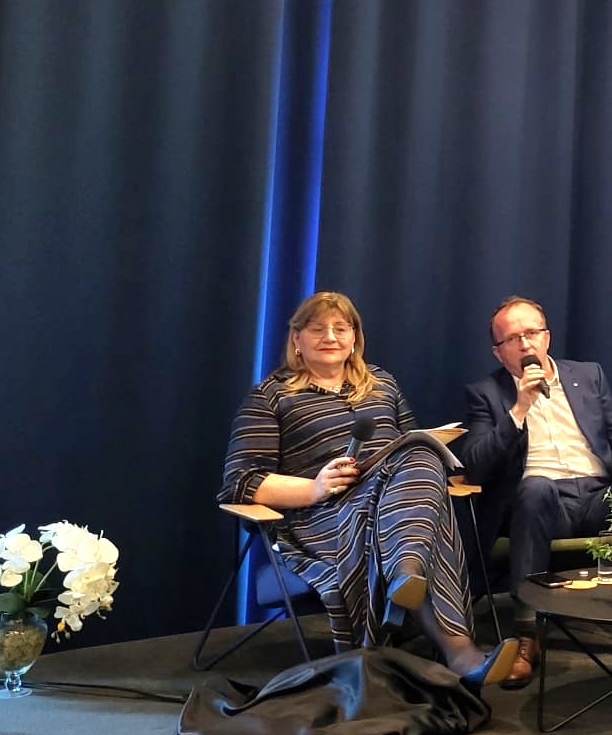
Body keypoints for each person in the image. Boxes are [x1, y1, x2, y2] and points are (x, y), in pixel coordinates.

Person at [218, 291, 519, 690]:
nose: (330, 336)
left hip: (397, 506)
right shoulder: (271, 397)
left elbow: (413, 444)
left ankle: (406, 573)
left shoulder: (383, 385)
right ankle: (459, 649)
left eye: (341, 328)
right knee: (426, 515)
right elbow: (240, 481)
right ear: (296, 339)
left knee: (422, 451)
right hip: (326, 516)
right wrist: (315, 488)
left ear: (355, 338)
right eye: (317, 329)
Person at [456, 296, 612, 690]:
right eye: (513, 338)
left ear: (547, 337)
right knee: (536, 486)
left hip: (599, 498)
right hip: (541, 505)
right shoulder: (486, 393)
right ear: (498, 351)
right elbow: (475, 464)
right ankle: (527, 633)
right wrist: (518, 410)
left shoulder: (588, 375)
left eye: (532, 333)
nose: (525, 344)